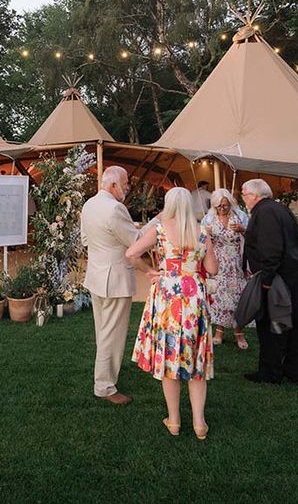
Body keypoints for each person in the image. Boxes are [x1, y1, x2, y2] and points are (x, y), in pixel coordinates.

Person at [127, 187, 218, 439]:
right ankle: (199, 423)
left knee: (170, 357)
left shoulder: (159, 229)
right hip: (194, 297)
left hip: (167, 295)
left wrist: (149, 271)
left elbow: (131, 254)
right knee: (196, 358)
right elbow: (212, 269)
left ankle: (175, 420)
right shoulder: (201, 232)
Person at [241, 179, 298, 385]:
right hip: (294, 272)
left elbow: (272, 249)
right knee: (292, 322)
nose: (243, 198)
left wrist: (267, 280)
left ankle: (271, 372)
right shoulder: (276, 208)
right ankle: (295, 372)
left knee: (273, 322)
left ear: (255, 195)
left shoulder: (264, 212)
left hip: (283, 276)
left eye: (244, 194)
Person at [80, 166, 139, 406]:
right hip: (115, 279)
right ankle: (104, 386)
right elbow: (135, 242)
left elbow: (85, 240)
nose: (127, 187)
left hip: (96, 275)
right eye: (125, 183)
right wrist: (156, 225)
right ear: (113, 185)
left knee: (103, 332)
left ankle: (104, 378)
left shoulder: (89, 205)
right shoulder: (115, 208)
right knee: (111, 335)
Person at [201, 188, 250, 349]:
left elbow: (253, 235)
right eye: (219, 206)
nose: (222, 209)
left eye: (225, 205)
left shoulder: (240, 216)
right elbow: (199, 241)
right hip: (217, 264)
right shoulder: (208, 219)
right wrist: (205, 233)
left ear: (230, 204)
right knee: (219, 298)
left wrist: (242, 230)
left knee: (237, 297)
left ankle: (238, 332)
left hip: (235, 263)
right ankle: (219, 330)